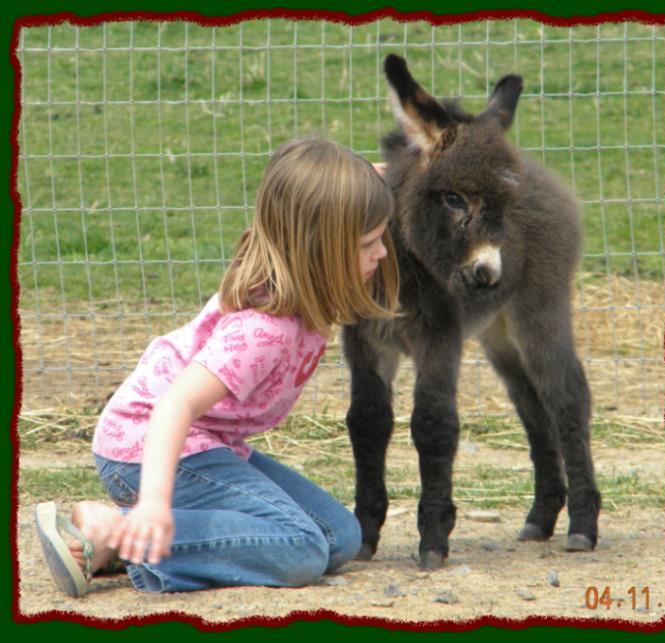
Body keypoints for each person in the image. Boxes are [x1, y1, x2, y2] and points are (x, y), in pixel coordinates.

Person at [34, 138, 399, 596]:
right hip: (146, 446)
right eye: (368, 242)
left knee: (340, 537)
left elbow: (299, 195)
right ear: (320, 245)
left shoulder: (293, 267)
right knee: (303, 548)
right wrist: (153, 502)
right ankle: (116, 531)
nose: (382, 252)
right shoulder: (265, 333)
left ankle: (155, 535)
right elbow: (175, 405)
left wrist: (371, 175)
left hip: (205, 444)